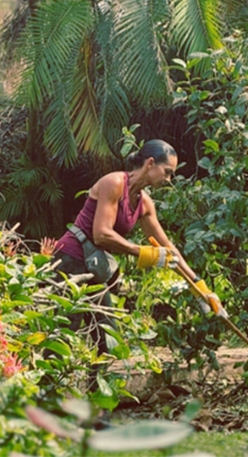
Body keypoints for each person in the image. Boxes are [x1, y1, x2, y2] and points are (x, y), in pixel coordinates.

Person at [52, 139, 224, 355]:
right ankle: (44, 388)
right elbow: (102, 234)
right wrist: (144, 253)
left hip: (93, 267)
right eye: (167, 171)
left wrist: (200, 288)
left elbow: (168, 248)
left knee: (107, 340)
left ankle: (99, 387)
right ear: (150, 163)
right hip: (69, 261)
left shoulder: (144, 203)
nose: (169, 179)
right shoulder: (114, 183)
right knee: (62, 336)